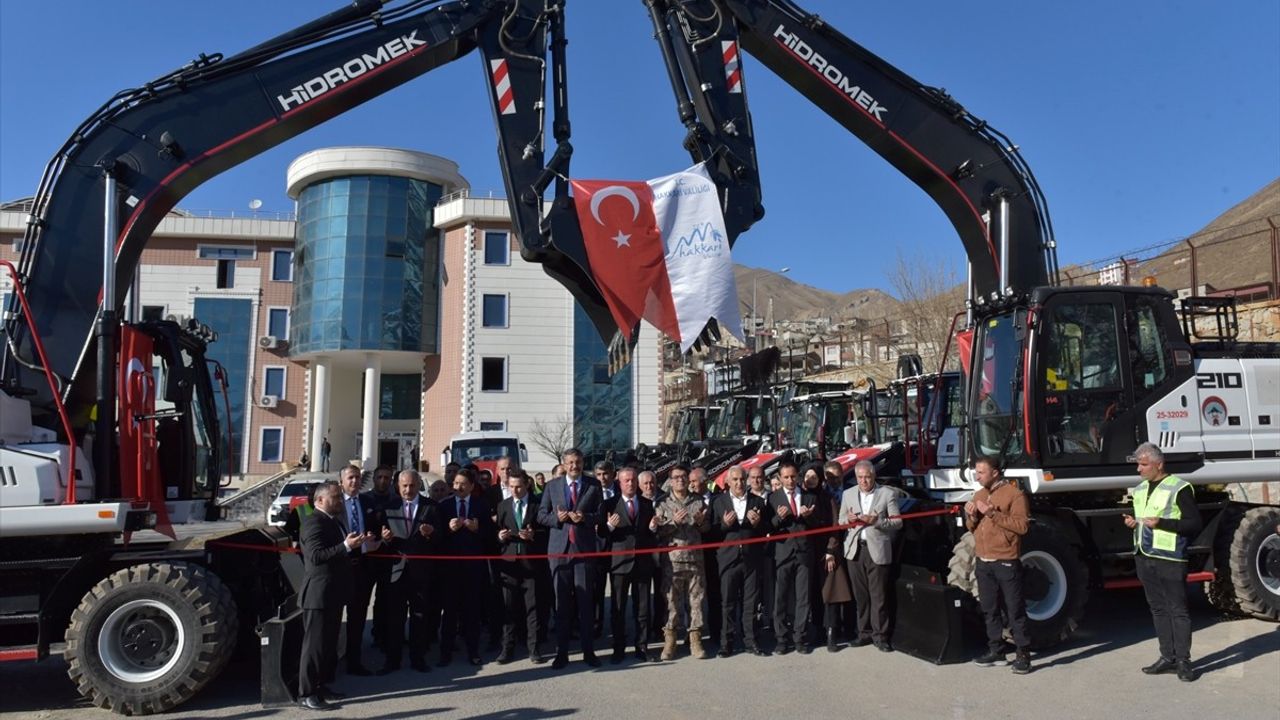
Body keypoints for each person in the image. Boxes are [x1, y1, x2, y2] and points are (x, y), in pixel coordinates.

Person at [1124, 442, 1202, 682]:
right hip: (1145, 556)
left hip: (1170, 557)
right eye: (1138, 464)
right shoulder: (1139, 489)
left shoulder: (1179, 488)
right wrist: (1133, 523)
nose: (1139, 468)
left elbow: (1194, 524)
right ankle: (1167, 657)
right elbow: (1144, 520)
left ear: (1159, 464)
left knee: (1178, 610)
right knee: (1157, 609)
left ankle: (1183, 662)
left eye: (1144, 464)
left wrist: (1162, 523)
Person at [298, 481, 377, 711]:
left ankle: (321, 686)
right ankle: (306, 693)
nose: (340, 501)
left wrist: (354, 543)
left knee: (327, 646)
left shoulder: (332, 521)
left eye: (339, 497)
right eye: (335, 498)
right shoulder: (313, 522)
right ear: (320, 500)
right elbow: (316, 556)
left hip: (333, 593)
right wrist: (345, 545)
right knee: (313, 647)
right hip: (319, 594)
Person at [965, 455, 1033, 674]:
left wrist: (992, 512)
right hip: (983, 559)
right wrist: (972, 516)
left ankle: (1023, 654)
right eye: (976, 472)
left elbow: (1022, 527)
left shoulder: (1015, 495)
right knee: (989, 608)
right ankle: (996, 650)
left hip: (1005, 560)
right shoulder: (979, 494)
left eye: (981, 472)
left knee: (1014, 609)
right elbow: (972, 528)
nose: (977, 476)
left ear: (995, 473)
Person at [538, 448, 603, 668]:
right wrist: (557, 519)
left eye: (579, 462)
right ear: (564, 464)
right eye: (571, 462)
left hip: (583, 550)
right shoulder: (552, 486)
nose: (575, 466)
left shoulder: (593, 485)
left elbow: (601, 515)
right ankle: (562, 653)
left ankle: (588, 652)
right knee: (562, 605)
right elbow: (541, 515)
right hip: (559, 551)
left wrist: (584, 518)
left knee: (585, 605)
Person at [377, 470, 437, 674]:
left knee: (419, 616)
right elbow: (379, 539)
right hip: (396, 570)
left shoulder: (431, 507)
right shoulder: (388, 507)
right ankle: (392, 659)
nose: (408, 490)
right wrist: (384, 539)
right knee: (395, 617)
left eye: (412, 486)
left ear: (418, 484)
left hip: (421, 571)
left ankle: (418, 658)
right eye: (404, 486)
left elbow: (442, 539)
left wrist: (431, 535)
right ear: (398, 486)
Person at [838, 460, 901, 652]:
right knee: (861, 596)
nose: (864, 481)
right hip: (855, 549)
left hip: (877, 549)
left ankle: (880, 636)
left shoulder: (887, 494)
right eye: (860, 477)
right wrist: (847, 520)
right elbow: (840, 521)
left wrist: (877, 521)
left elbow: (898, 522)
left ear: (873, 476)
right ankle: (863, 633)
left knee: (879, 596)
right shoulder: (848, 494)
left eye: (867, 477)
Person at [598, 466, 659, 663]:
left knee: (642, 608)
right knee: (618, 609)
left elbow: (650, 536)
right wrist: (609, 526)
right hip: (620, 563)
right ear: (619, 482)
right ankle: (618, 648)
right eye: (627, 481)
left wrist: (652, 529)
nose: (631, 484)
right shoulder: (609, 504)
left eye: (633, 480)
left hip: (642, 564)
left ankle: (642, 647)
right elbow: (601, 534)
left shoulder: (647, 503)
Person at [710, 465, 770, 657]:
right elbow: (711, 532)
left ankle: (751, 641)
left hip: (751, 559)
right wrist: (724, 525)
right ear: (728, 482)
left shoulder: (758, 501)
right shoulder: (718, 501)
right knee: (727, 602)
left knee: (750, 603)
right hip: (728, 559)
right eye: (735, 480)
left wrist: (758, 523)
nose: (739, 483)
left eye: (742, 479)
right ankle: (726, 643)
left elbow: (768, 528)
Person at [435, 467, 492, 666]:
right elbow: (436, 537)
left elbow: (489, 535)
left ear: (471, 486)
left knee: (472, 612)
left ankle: (473, 651)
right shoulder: (444, 506)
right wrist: (449, 530)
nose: (458, 487)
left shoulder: (481, 505)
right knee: (449, 612)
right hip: (450, 568)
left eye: (463, 484)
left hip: (473, 567)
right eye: (456, 483)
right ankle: (445, 652)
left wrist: (478, 529)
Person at [655, 463, 710, 660]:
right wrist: (674, 523)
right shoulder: (662, 503)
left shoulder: (698, 501)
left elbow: (706, 530)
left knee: (696, 601)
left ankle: (695, 639)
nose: (680, 480)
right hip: (673, 561)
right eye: (676, 477)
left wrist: (702, 522)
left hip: (695, 559)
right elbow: (658, 532)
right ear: (670, 480)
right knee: (672, 602)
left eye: (683, 476)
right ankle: (670, 641)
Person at [495, 469, 547, 664]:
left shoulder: (537, 504)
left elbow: (547, 532)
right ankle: (507, 648)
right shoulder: (503, 506)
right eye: (511, 487)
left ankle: (534, 648)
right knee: (509, 608)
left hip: (531, 563)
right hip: (509, 563)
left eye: (518, 487)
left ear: (527, 485)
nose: (515, 490)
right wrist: (500, 537)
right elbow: (497, 531)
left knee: (532, 607)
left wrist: (534, 536)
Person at [770, 461, 820, 654]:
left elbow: (817, 525)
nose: (790, 481)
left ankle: (800, 637)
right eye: (786, 477)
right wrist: (778, 518)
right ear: (780, 478)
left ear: (798, 476)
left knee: (803, 598)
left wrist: (808, 517)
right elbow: (768, 526)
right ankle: (781, 639)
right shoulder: (773, 498)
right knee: (780, 598)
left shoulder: (808, 496)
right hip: (783, 553)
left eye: (793, 477)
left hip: (804, 553)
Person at [337, 465, 380, 676]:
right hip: (339, 567)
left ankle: (354, 661)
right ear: (342, 482)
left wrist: (375, 539)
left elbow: (376, 530)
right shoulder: (334, 505)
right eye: (350, 478)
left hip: (362, 567)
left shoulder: (367, 502)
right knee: (334, 618)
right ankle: (330, 661)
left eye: (357, 478)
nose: (354, 482)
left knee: (357, 616)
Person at [363, 465, 401, 651]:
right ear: (374, 478)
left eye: (387, 478)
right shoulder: (364, 499)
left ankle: (381, 634)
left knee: (385, 599)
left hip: (389, 556)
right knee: (361, 601)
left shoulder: (396, 500)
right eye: (380, 477)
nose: (383, 481)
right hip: (367, 558)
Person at [638, 468, 666, 640]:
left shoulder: (665, 499)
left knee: (662, 594)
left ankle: (659, 627)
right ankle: (644, 629)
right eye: (646, 483)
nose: (649, 486)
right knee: (643, 594)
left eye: (652, 482)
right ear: (640, 485)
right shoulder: (637, 501)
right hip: (643, 554)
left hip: (663, 552)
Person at [593, 460, 618, 637]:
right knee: (597, 590)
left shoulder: (621, 491)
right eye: (599, 475)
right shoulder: (591, 493)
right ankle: (596, 625)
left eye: (606, 474)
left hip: (619, 547)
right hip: (597, 548)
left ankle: (617, 625)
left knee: (618, 591)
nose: (602, 478)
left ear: (613, 474)